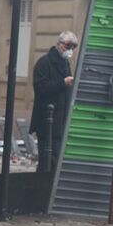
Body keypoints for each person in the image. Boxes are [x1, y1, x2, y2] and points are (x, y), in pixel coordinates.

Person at [31, 31, 79, 172]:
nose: (70, 50)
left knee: (54, 160)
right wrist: (63, 83)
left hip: (60, 122)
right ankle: (41, 188)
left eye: (73, 47)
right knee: (47, 160)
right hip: (47, 122)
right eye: (68, 46)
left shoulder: (65, 63)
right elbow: (40, 88)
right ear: (59, 44)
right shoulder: (44, 63)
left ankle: (45, 188)